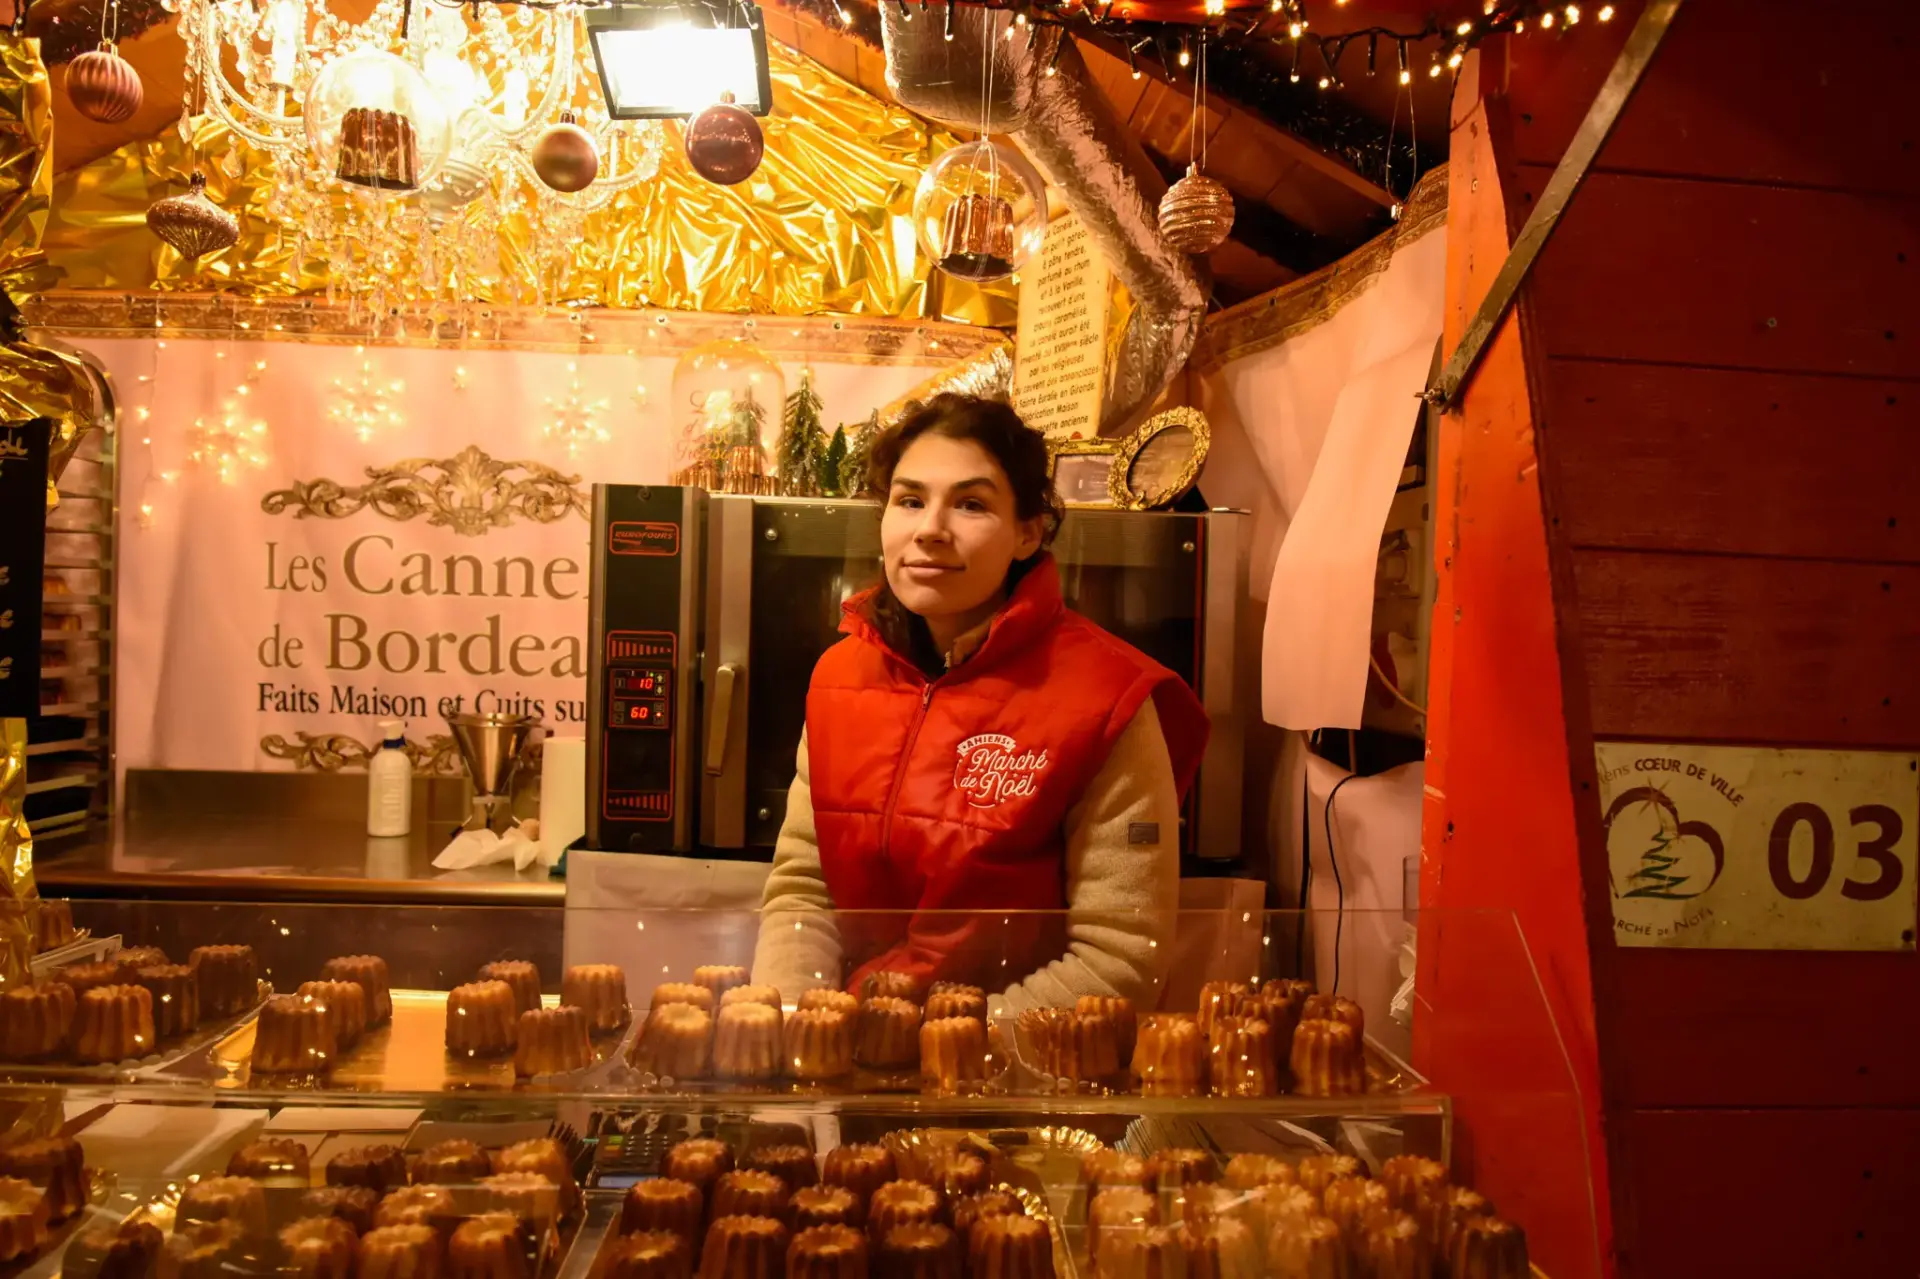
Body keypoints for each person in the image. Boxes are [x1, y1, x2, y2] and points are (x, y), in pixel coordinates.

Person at [750, 393, 1209, 1012]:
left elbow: (1120, 959)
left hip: (1024, 1085)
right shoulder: (839, 676)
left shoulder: (1109, 696)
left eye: (970, 504)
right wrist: (796, 1023)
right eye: (909, 500)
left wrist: (949, 1050)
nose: (930, 530)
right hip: (853, 1068)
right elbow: (803, 889)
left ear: (1028, 533)